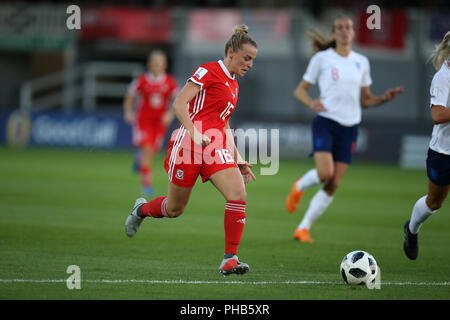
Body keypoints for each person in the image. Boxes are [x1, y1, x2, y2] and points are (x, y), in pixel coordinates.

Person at [124, 25, 258, 275]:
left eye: (253, 60)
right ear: (231, 52)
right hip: (188, 144)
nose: (250, 64)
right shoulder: (208, 70)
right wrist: (195, 132)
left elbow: (223, 122)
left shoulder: (234, 84)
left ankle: (230, 258)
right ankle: (140, 210)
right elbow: (179, 103)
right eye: (247, 58)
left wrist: (238, 158)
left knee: (238, 194)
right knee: (174, 209)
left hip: (214, 147)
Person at [285, 16, 404, 242]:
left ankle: (303, 228)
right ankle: (299, 185)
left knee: (333, 183)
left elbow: (365, 101)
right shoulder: (322, 59)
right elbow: (299, 90)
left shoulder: (362, 62)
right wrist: (311, 103)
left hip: (350, 127)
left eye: (348, 27)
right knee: (325, 173)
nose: (344, 31)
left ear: (353, 33)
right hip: (326, 122)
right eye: (339, 27)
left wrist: (384, 99)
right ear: (334, 33)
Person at [403, 31, 450, 260]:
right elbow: (438, 114)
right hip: (444, 151)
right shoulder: (444, 77)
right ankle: (411, 229)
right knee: (434, 202)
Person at [123, 50, 179, 196]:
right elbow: (129, 97)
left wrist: (170, 114)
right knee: (147, 149)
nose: (156, 65)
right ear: (149, 64)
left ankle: (139, 158)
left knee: (152, 151)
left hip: (159, 123)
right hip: (143, 121)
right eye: (154, 62)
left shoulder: (170, 82)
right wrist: (128, 112)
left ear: (165, 65)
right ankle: (146, 185)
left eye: (159, 62)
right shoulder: (141, 80)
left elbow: (177, 101)